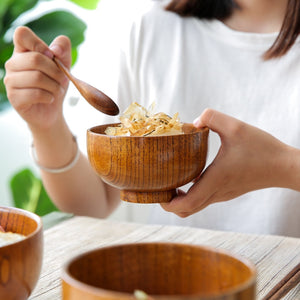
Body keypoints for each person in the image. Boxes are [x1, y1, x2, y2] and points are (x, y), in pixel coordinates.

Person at [4, 0, 300, 237]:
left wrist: (281, 166)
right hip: (168, 280)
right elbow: (95, 202)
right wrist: (46, 125)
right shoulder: (152, 26)